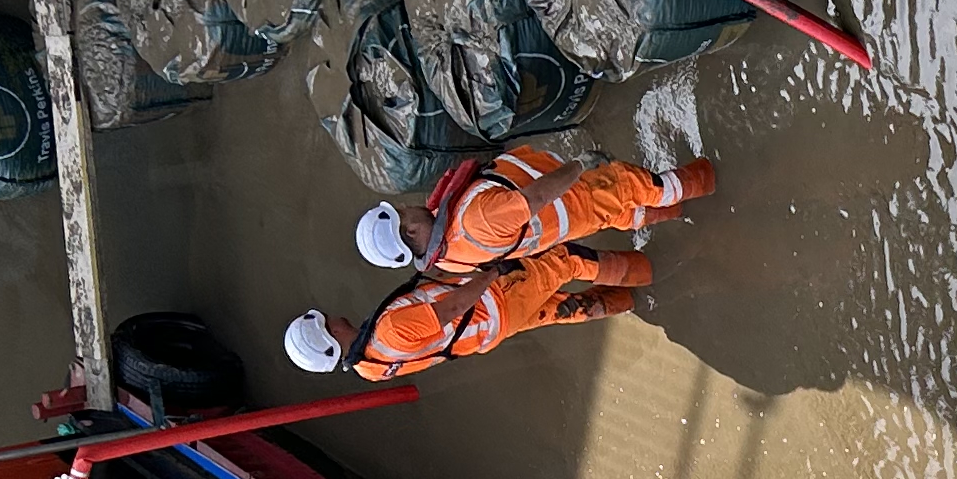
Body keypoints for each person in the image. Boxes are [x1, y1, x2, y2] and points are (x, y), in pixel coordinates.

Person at [285, 245, 658, 382]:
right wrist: (492, 272)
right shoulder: (389, 331)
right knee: (562, 262)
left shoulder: (371, 367)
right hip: (494, 301)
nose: (331, 315)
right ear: (329, 336)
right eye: (325, 321)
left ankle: (633, 300)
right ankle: (651, 269)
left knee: (562, 307)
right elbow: (454, 306)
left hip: (492, 330)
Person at [357, 146, 714, 279]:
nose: (406, 206)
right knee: (644, 186)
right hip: (580, 197)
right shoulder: (475, 220)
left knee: (628, 214)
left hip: (574, 219)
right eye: (402, 214)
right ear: (411, 235)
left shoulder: (447, 258)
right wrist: (580, 165)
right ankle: (713, 178)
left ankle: (684, 214)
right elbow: (534, 198)